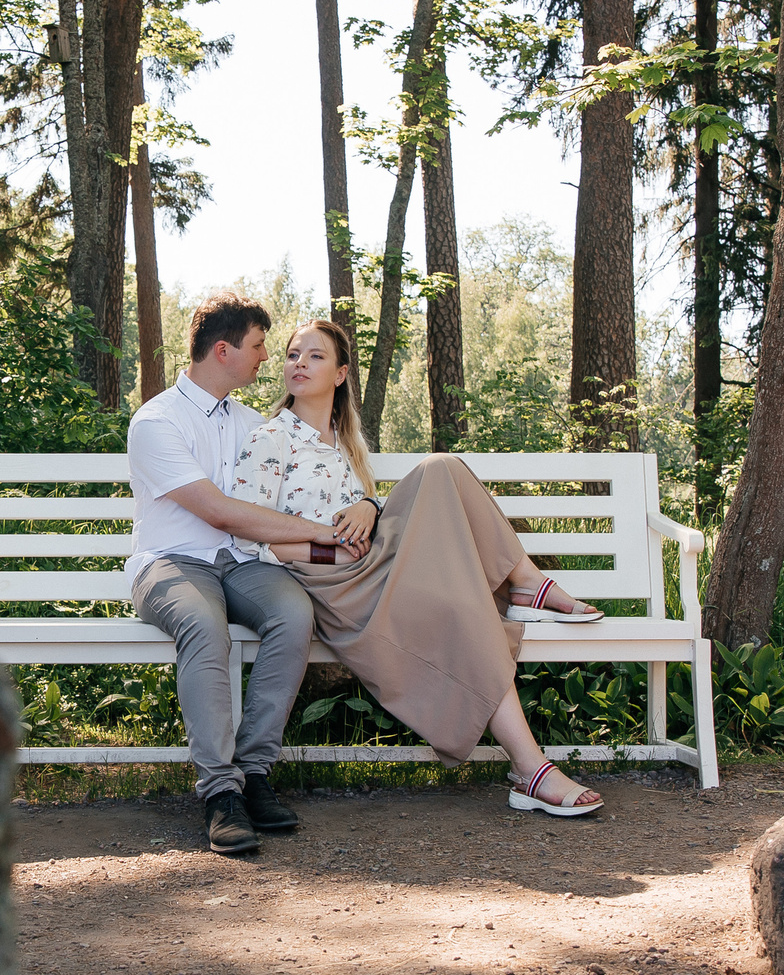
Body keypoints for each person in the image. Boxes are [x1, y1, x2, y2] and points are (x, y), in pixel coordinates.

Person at [232, 317, 611, 816]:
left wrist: (369, 503)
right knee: (440, 472)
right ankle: (527, 593)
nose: (298, 363)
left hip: (374, 565)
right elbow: (252, 536)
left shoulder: (347, 446)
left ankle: (530, 767)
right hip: (334, 583)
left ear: (342, 374)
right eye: (291, 355)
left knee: (460, 599)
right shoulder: (270, 440)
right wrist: (330, 550)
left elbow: (357, 512)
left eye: (315, 356)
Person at [128, 294, 372, 856]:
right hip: (171, 562)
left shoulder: (252, 424)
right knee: (204, 626)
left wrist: (368, 506)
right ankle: (220, 793)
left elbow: (311, 481)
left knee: (293, 613)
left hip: (242, 562)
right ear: (223, 350)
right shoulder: (157, 421)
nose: (268, 358)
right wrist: (321, 535)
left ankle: (255, 773)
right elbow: (218, 511)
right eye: (260, 346)